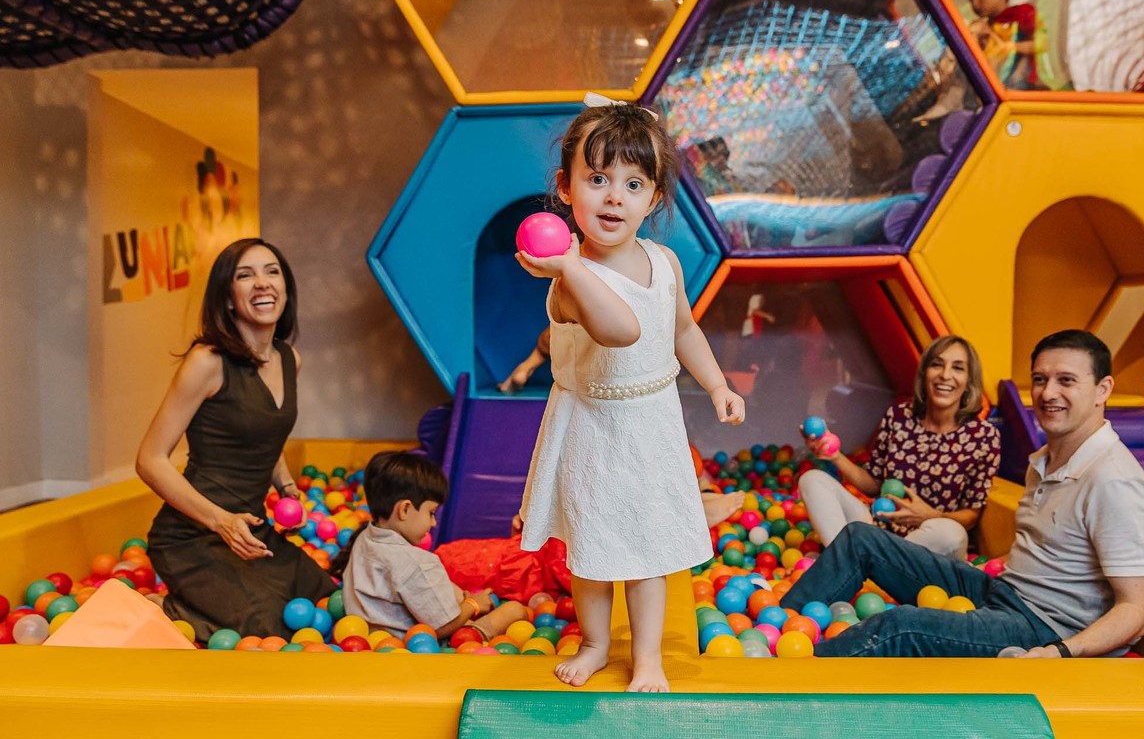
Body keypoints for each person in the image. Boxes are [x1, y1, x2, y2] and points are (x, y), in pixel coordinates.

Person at [516, 95, 746, 692]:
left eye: (633, 183)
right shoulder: (570, 282)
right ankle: (596, 643)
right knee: (592, 548)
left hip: (650, 424)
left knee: (648, 547)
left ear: (654, 198)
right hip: (592, 427)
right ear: (565, 189)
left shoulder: (664, 261)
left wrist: (716, 383)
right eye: (597, 179)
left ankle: (647, 658)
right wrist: (569, 267)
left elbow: (681, 329)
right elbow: (620, 330)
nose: (614, 196)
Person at [780, 330, 1144, 658]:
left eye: (1066, 381)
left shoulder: (1115, 482)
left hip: (1041, 627)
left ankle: (782, 684)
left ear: (1102, 390)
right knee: (861, 539)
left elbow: (1139, 611)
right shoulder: (1046, 459)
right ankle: (778, 627)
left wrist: (1061, 651)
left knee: (898, 626)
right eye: (1040, 379)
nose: (1049, 393)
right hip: (1004, 591)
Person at [136, 238, 335, 642]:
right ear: (227, 298)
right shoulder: (207, 362)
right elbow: (149, 459)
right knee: (273, 629)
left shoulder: (289, 360)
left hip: (250, 531)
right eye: (245, 275)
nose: (262, 282)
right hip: (191, 538)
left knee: (326, 599)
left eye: (272, 271)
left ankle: (200, 606)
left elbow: (264, 432)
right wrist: (221, 521)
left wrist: (287, 486)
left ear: (285, 288)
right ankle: (166, 610)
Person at [799, 335, 1000, 560]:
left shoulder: (983, 436)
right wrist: (834, 455)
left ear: (969, 380)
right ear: (924, 373)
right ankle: (851, 562)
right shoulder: (899, 416)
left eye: (958, 368)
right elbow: (873, 484)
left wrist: (931, 516)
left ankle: (861, 563)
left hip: (927, 543)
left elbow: (972, 514)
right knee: (812, 479)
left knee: (952, 534)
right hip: (879, 529)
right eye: (937, 364)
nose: (945, 375)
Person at [332, 452, 527, 641]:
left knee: (454, 591)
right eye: (431, 513)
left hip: (369, 638)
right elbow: (441, 627)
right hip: (423, 645)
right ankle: (477, 632)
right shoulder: (417, 563)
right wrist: (472, 604)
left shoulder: (364, 538)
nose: (433, 523)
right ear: (404, 509)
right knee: (514, 610)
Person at [964, 0, 1046, 91]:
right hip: (997, 88)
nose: (974, 3)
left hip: (1022, 88)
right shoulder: (984, 26)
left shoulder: (1023, 13)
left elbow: (1041, 44)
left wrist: (1009, 46)